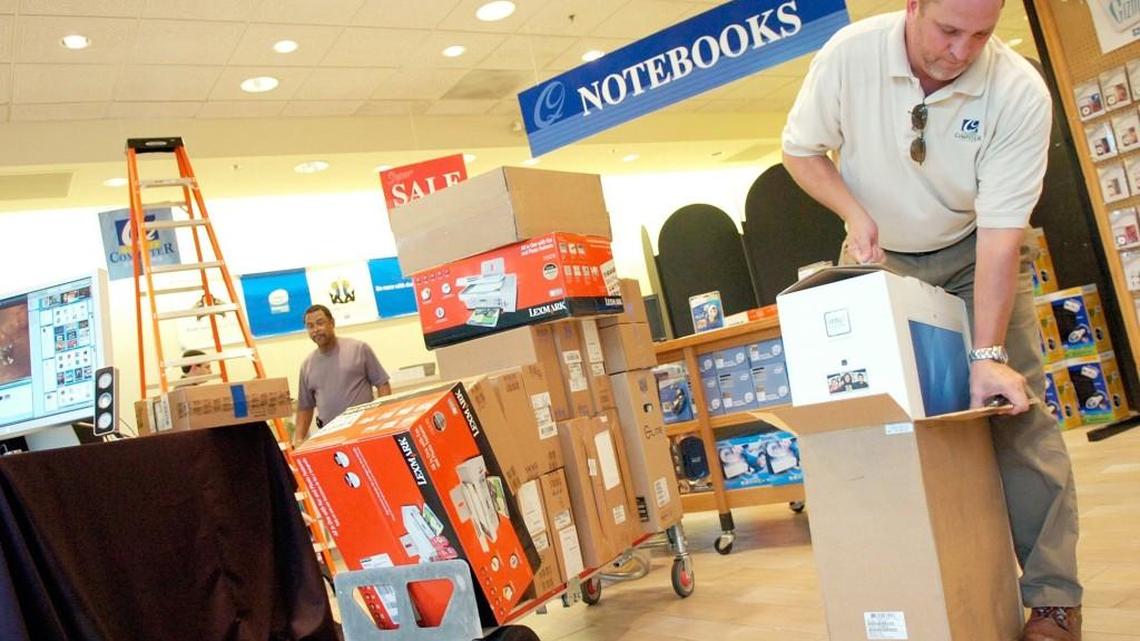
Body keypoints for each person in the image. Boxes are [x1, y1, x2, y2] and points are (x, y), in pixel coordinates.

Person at [781, 1, 1082, 639]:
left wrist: (987, 355)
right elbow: (800, 150)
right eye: (947, 30)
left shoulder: (1019, 92)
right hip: (875, 252)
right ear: (913, 6)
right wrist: (853, 212)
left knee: (1015, 415)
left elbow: (1003, 238)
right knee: (868, 422)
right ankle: (893, 589)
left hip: (977, 252)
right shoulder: (850, 54)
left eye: (981, 33)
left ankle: (1055, 602)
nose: (961, 50)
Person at [294, 304, 390, 445]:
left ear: (332, 323)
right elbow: (305, 407)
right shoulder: (307, 365)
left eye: (320, 323)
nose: (316, 330)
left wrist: (383, 419)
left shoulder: (359, 349)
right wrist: (299, 440)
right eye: (310, 326)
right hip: (331, 438)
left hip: (365, 432)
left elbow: (383, 385)